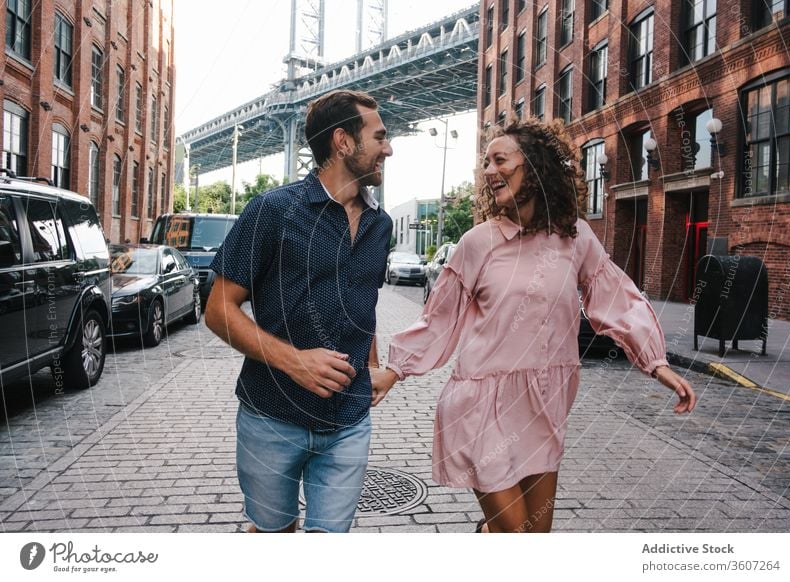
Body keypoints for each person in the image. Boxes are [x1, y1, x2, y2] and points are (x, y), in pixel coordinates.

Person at [370, 119, 696, 533]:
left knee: (534, 535)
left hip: (543, 405)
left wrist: (656, 362)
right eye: (485, 162)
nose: (488, 171)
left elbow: (615, 295)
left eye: (499, 159)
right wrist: (394, 370)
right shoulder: (477, 242)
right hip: (479, 406)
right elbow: (438, 319)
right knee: (516, 537)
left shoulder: (575, 238)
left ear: (537, 166)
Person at [205, 89, 393, 533]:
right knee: (273, 534)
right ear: (343, 142)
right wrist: (295, 362)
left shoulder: (380, 225)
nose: (388, 147)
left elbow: (362, 304)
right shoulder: (272, 211)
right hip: (271, 416)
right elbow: (217, 311)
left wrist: (373, 367)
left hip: (349, 421)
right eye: (379, 136)